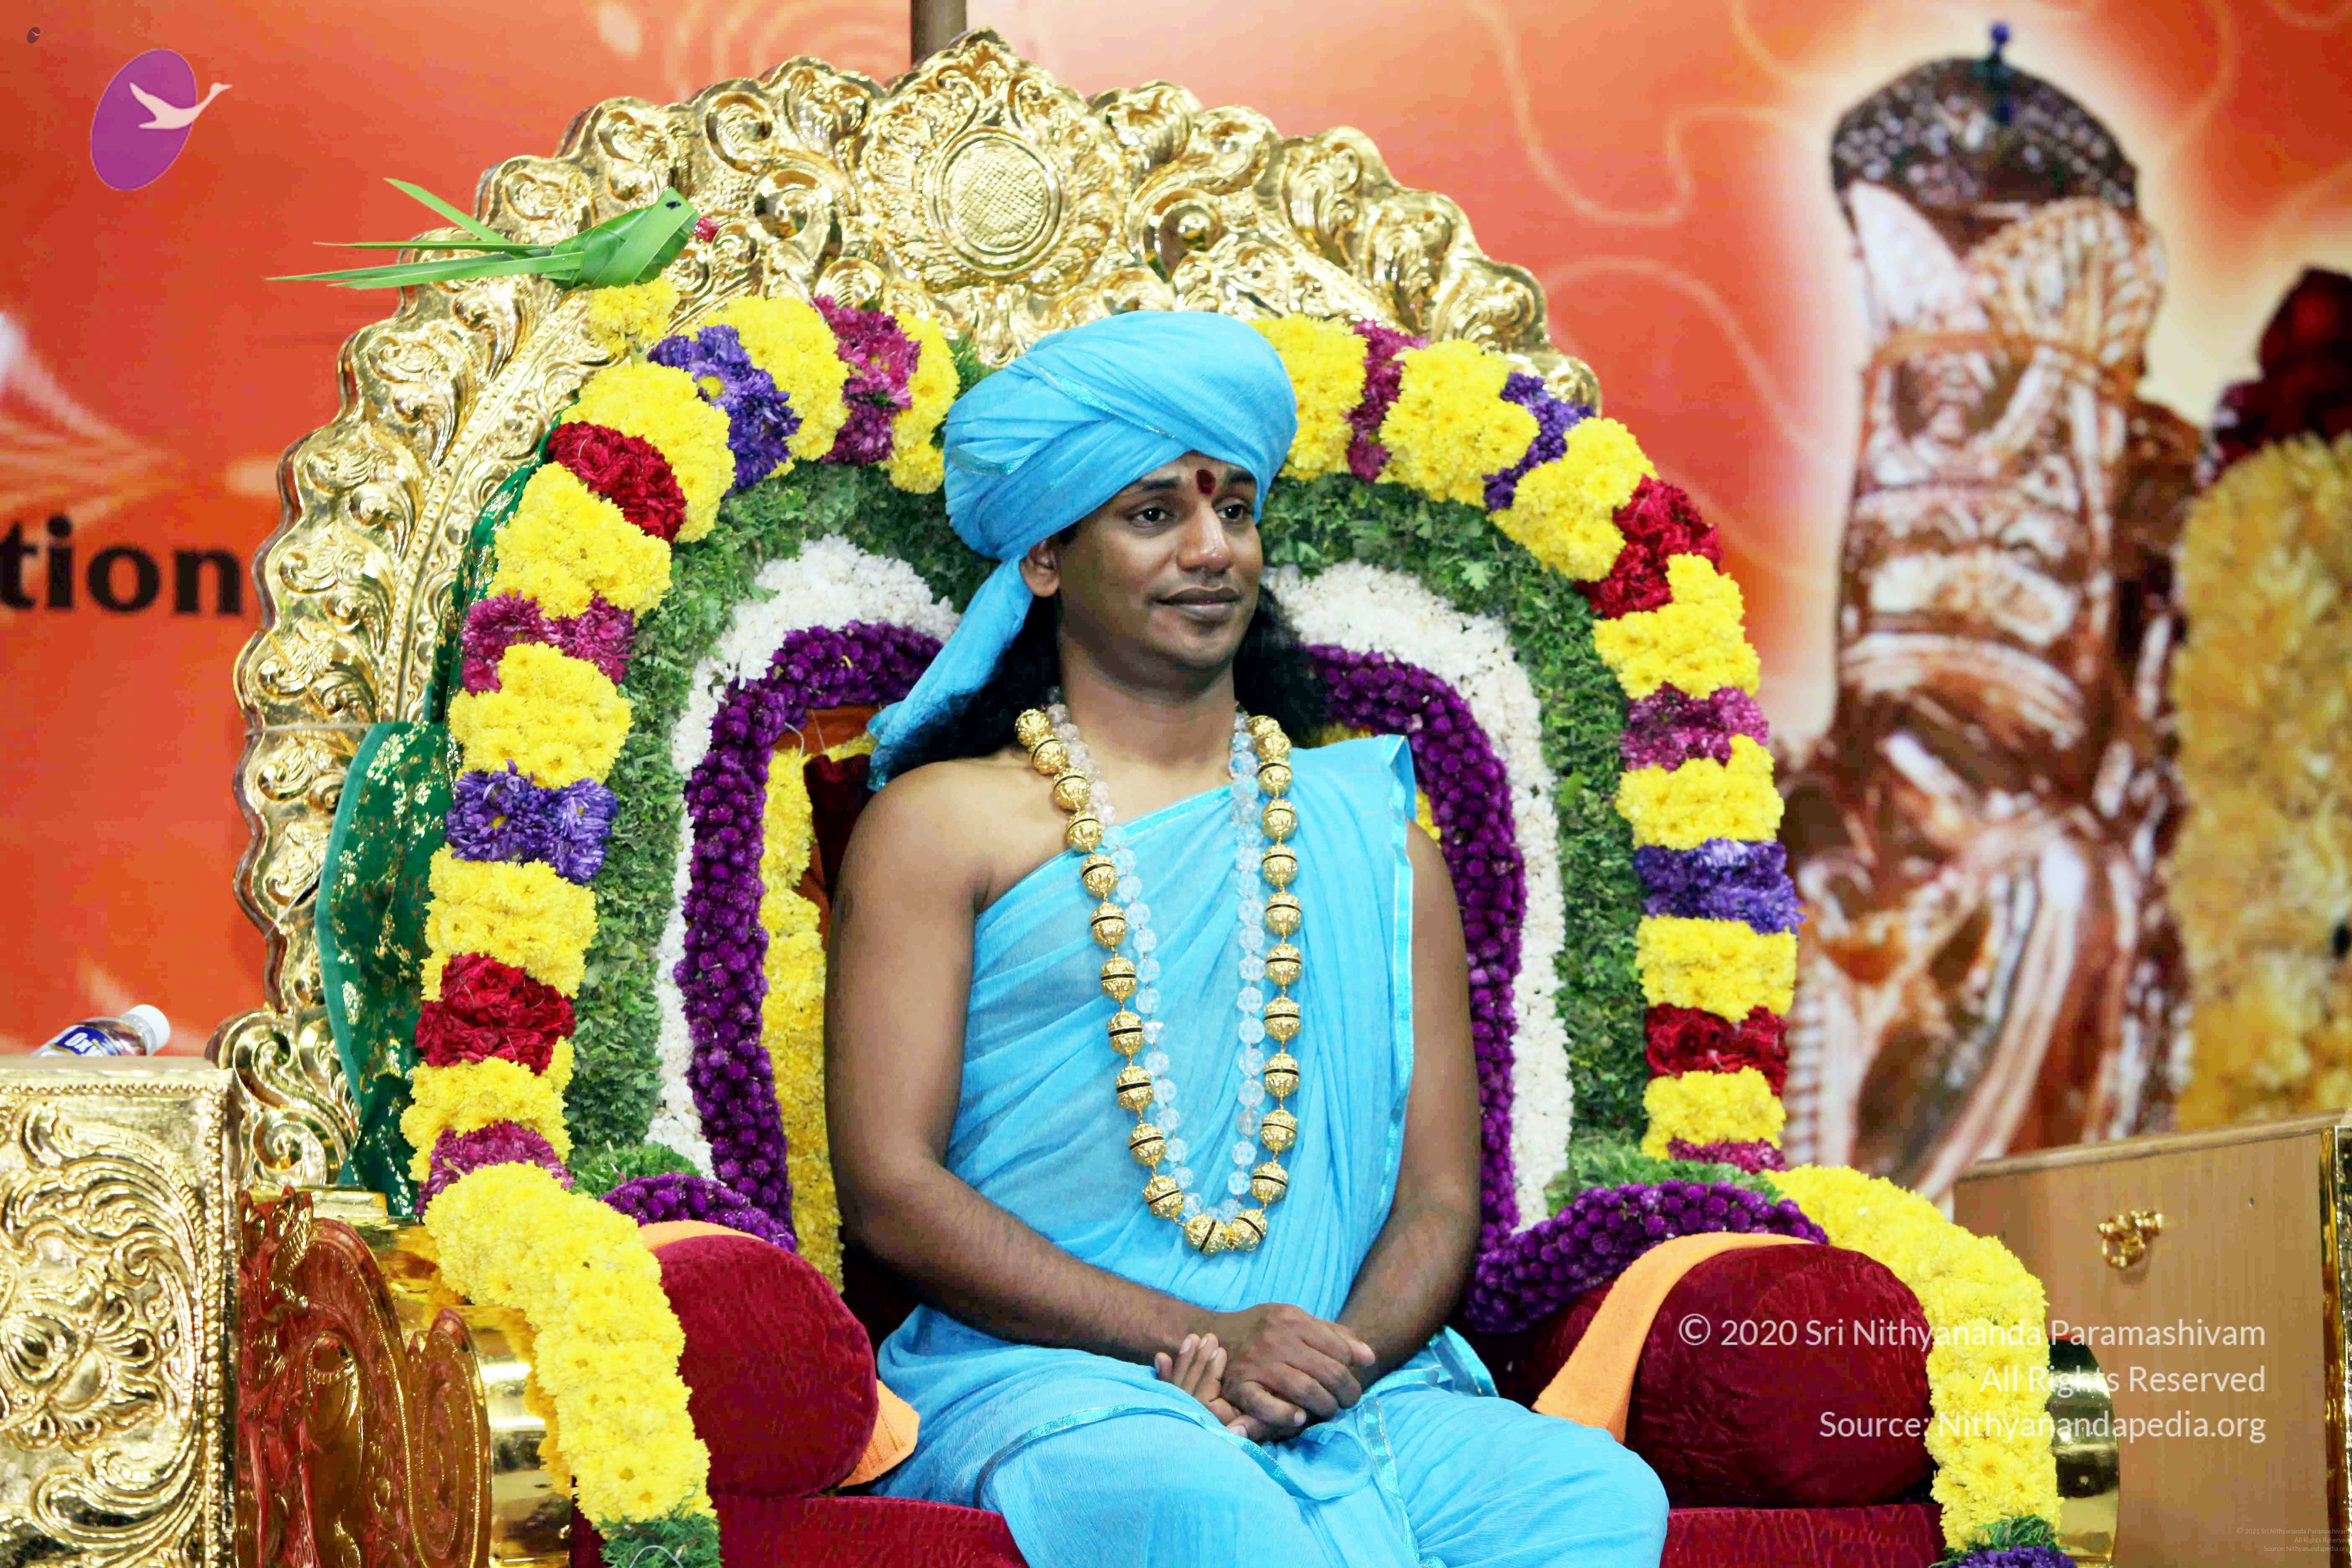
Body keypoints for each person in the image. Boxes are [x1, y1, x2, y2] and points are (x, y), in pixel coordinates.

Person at [827, 309, 1668, 1567]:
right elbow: (892, 1190)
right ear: (1046, 556)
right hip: (1051, 1378)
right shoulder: (944, 825)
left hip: (1349, 1385)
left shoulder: (1378, 841)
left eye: (1234, 507)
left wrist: (1322, 1368)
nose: (1212, 548)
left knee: (1588, 1498)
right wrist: (1197, 1339)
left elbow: (1439, 1198)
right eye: (1153, 513)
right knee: (1201, 1508)